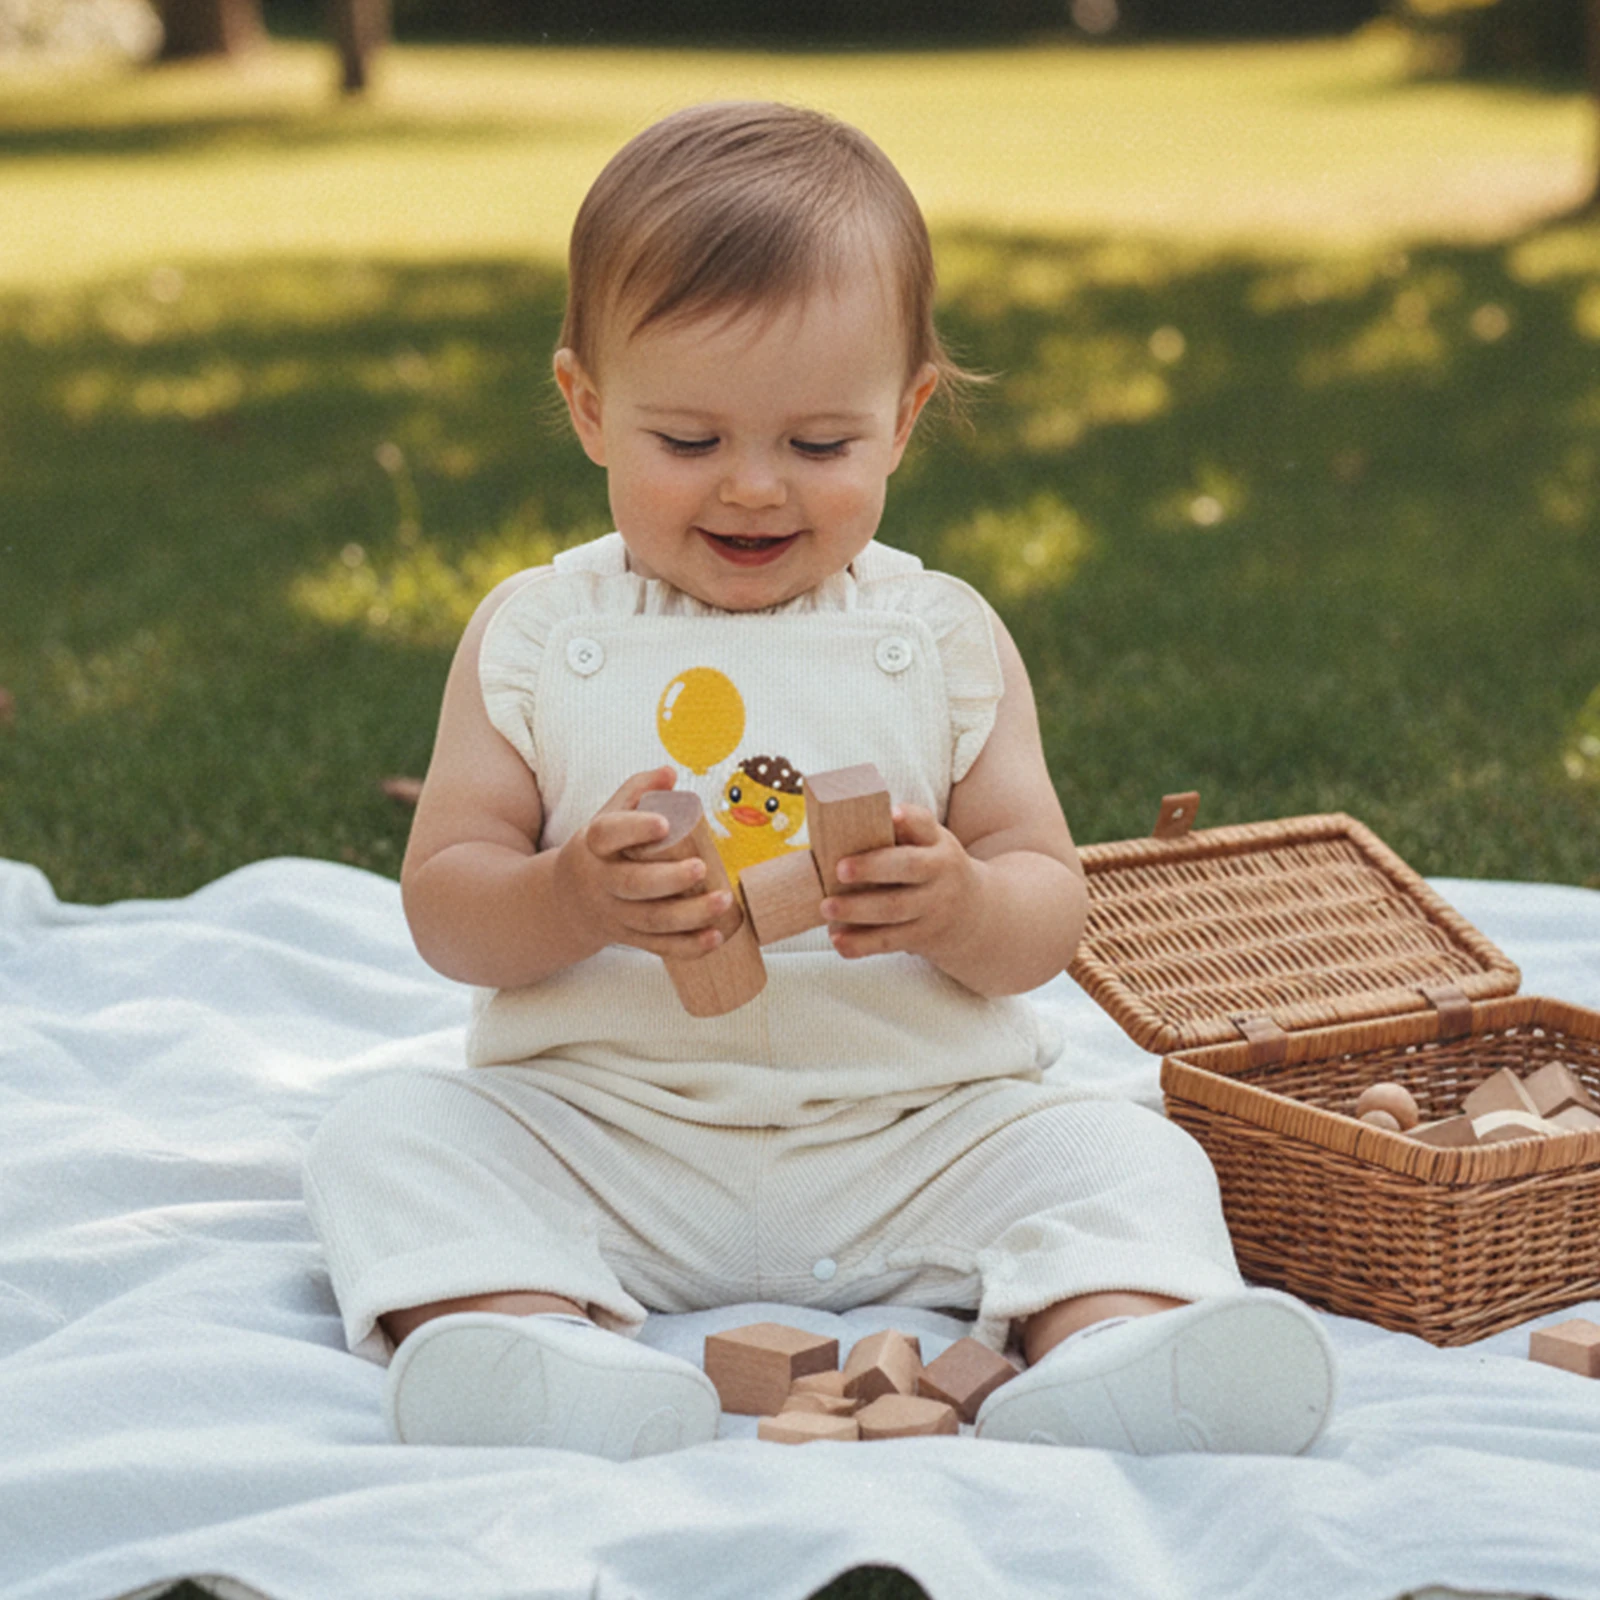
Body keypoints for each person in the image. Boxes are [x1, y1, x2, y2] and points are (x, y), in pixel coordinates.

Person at [303, 100, 1337, 1461]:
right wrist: (569, 895)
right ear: (589, 409)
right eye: (689, 443)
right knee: (386, 1132)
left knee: (1129, 1153)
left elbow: (1047, 908)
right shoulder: (536, 635)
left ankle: (1120, 1350)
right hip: (607, 1133)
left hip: (914, 1135)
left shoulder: (946, 639)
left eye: (818, 446)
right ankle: (525, 1346)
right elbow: (447, 906)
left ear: (904, 420)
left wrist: (963, 904)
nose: (752, 489)